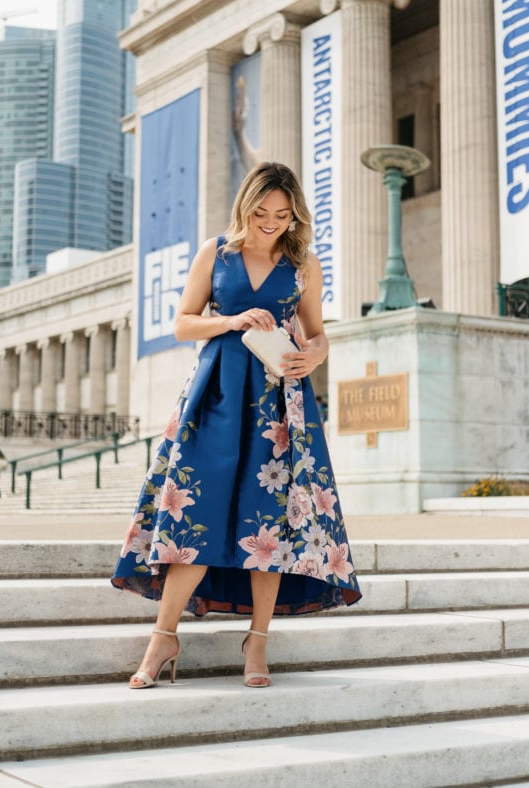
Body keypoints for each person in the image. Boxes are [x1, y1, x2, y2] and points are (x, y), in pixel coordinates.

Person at [112, 161, 361, 690]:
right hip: (215, 394)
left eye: (283, 213)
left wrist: (312, 358)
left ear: (295, 214)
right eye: (261, 211)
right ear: (245, 206)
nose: (271, 222)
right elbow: (183, 323)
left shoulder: (303, 264)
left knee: (265, 524)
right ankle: (164, 637)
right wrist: (232, 320)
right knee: (193, 514)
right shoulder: (216, 252)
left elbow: (318, 335)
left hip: (278, 404)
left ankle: (258, 642)